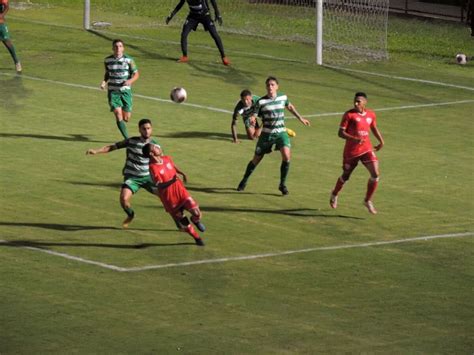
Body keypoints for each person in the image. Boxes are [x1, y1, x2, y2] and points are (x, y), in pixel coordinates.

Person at [236, 76, 311, 195]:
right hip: (266, 135)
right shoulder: (261, 102)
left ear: (277, 86)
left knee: (286, 156)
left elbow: (290, 107)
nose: (270, 87)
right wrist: (252, 120)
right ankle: (244, 180)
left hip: (281, 133)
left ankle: (282, 184)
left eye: (272, 85)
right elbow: (254, 115)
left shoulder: (283, 97)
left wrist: (301, 118)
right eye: (268, 85)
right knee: (256, 159)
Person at [86, 118, 159, 228]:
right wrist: (96, 151)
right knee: (123, 199)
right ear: (139, 130)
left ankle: (181, 223)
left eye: (148, 128)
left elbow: (161, 162)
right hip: (132, 178)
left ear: (151, 129)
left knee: (167, 199)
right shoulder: (131, 141)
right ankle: (130, 215)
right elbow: (112, 147)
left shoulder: (155, 146)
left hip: (148, 177)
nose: (146, 131)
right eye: (144, 129)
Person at [329, 92, 384, 214]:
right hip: (352, 151)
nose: (355, 103)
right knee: (346, 176)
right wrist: (354, 139)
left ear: (365, 102)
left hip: (366, 149)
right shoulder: (349, 115)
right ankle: (334, 193)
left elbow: (374, 128)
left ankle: (367, 200)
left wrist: (381, 141)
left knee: (375, 174)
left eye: (358, 101)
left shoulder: (371, 114)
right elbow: (340, 133)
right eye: (355, 101)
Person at [142, 143, 205, 246]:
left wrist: (182, 173)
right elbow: (159, 185)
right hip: (170, 199)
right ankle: (197, 238)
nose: (158, 147)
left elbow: (173, 167)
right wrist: (172, 181)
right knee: (183, 221)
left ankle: (195, 220)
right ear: (151, 153)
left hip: (181, 192)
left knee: (196, 212)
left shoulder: (166, 158)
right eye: (155, 147)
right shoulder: (153, 168)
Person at [165, 0, 230, 66]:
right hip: (192, 17)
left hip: (205, 16)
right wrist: (171, 15)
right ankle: (185, 57)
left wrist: (217, 14)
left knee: (214, 34)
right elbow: (180, 4)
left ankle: (224, 57)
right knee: (184, 34)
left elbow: (212, 1)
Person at [100, 39, 140, 139]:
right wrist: (104, 82)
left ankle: (122, 113)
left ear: (123, 48)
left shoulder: (129, 60)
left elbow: (136, 74)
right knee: (118, 114)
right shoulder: (107, 60)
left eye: (120, 46)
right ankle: (127, 139)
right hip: (113, 91)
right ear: (113, 48)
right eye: (116, 46)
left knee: (126, 118)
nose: (118, 48)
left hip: (125, 91)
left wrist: (129, 81)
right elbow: (107, 73)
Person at [0, 0, 21, 73]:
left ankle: (17, 62)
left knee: (8, 43)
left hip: (1, 25)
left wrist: (2, 15)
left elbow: (7, 6)